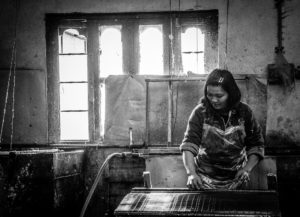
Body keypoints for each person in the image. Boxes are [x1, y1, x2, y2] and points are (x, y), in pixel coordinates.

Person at [180, 69, 264, 190]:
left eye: (219, 96)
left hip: (237, 178)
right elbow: (189, 144)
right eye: (209, 95)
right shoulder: (200, 112)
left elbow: (256, 145)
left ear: (231, 94)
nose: (213, 100)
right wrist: (191, 174)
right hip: (203, 180)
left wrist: (246, 169)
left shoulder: (245, 112)